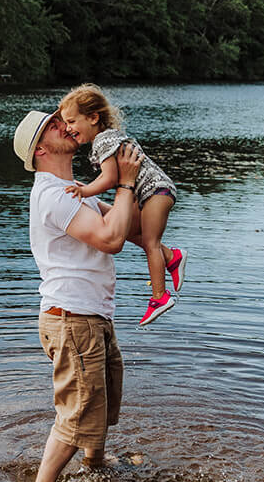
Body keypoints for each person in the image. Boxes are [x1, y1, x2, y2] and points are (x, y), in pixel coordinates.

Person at [13, 108, 144, 482]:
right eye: (53, 126)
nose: (64, 125)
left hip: (89, 315)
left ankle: (96, 464)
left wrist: (141, 185)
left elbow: (131, 229)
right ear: (40, 150)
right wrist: (123, 184)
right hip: (72, 318)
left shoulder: (75, 191)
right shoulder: (53, 195)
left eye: (60, 120)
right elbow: (110, 240)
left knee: (99, 400)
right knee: (78, 410)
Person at [56, 84, 186, 327]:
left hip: (155, 191)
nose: (69, 129)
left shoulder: (103, 141)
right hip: (153, 191)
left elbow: (110, 179)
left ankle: (160, 297)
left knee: (150, 243)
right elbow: (113, 177)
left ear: (93, 117)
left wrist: (84, 190)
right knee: (129, 231)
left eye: (72, 121)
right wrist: (88, 191)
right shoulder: (107, 138)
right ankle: (172, 257)